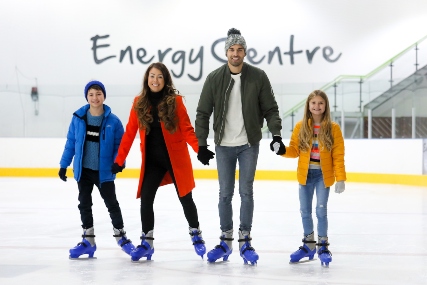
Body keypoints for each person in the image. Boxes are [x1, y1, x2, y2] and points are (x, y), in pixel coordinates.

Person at [195, 28, 285, 265]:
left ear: (245, 52)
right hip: (223, 145)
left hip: (248, 144)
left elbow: (271, 109)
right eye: (232, 49)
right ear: (226, 52)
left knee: (246, 192)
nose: (236, 53)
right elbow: (203, 113)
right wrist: (201, 144)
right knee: (225, 193)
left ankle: (245, 241)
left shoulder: (258, 76)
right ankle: (226, 240)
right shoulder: (214, 78)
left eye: (240, 49)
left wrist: (276, 135)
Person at [112, 62, 206, 262]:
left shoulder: (176, 102)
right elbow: (129, 133)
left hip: (175, 159)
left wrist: (200, 149)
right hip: (153, 162)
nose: (155, 80)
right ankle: (147, 242)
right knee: (146, 199)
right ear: (147, 78)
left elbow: (187, 129)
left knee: (185, 198)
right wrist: (119, 160)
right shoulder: (139, 103)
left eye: (160, 77)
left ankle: (196, 233)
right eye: (152, 76)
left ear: (166, 80)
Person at [59, 80, 135, 259]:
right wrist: (64, 164)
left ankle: (121, 237)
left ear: (104, 96)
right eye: (91, 94)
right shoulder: (78, 118)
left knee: (112, 205)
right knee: (84, 204)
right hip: (83, 170)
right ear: (87, 97)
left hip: (104, 171)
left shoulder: (113, 121)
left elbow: (120, 145)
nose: (95, 98)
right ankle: (88, 240)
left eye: (98, 94)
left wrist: (119, 162)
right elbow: (71, 142)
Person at [273, 89, 346, 267]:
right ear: (308, 106)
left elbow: (338, 154)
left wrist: (341, 177)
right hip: (305, 175)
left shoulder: (333, 128)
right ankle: (308, 245)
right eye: (313, 103)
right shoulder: (301, 126)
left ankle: (322, 246)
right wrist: (281, 150)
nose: (317, 106)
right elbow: (294, 150)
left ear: (326, 106)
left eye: (320, 103)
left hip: (323, 175)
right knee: (305, 211)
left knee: (321, 210)